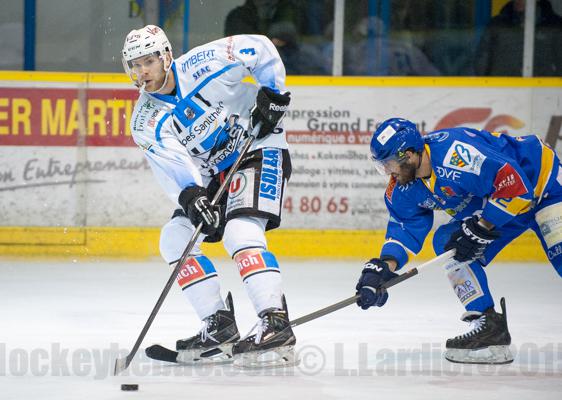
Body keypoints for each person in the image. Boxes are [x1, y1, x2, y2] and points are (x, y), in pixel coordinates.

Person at [121, 25, 296, 368]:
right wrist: (191, 196)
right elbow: (172, 166)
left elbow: (258, 47)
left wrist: (273, 93)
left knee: (240, 230)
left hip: (258, 147)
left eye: (148, 62)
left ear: (166, 57)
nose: (142, 72)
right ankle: (220, 325)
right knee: (174, 239)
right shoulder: (144, 120)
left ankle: (274, 321)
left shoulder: (201, 63)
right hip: (213, 176)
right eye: (134, 65)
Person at [355, 117, 561, 364]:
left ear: (409, 155)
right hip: (502, 205)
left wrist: (482, 227)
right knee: (448, 243)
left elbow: (514, 184)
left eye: (389, 164)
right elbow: (406, 227)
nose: (388, 172)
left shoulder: (455, 153)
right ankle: (490, 326)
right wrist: (384, 266)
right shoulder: (402, 187)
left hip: (543, 184)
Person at [475, 0, 562, 76]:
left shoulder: (555, 26)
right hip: (501, 90)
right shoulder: (497, 25)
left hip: (545, 91)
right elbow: (481, 63)